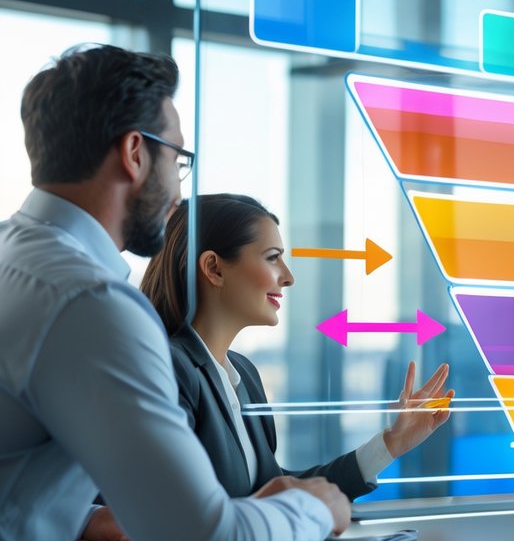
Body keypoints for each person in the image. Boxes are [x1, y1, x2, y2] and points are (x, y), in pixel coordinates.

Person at [0, 44, 348, 541]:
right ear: (135, 153)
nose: (179, 187)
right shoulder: (90, 302)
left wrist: (79, 516)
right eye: (179, 159)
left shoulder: (15, 263)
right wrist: (312, 509)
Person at [135, 193, 453, 500]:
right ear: (214, 268)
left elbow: (272, 488)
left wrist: (390, 444)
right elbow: (185, 510)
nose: (288, 277)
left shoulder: (243, 374)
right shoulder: (168, 369)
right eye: (272, 257)